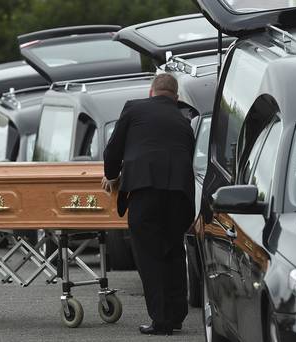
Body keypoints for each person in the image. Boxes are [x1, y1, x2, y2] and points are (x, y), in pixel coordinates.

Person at [102, 73, 195, 335]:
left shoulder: (134, 107)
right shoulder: (184, 119)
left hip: (145, 191)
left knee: (149, 256)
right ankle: (176, 315)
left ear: (151, 91)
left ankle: (161, 321)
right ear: (176, 97)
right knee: (173, 252)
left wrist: (112, 176)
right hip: (180, 195)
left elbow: (113, 150)